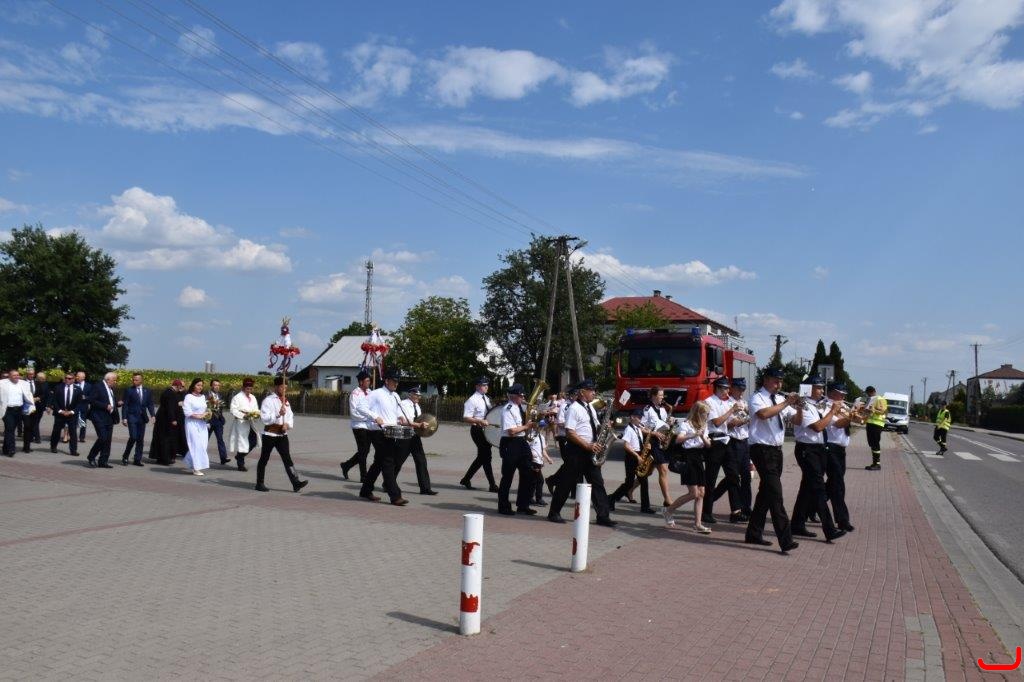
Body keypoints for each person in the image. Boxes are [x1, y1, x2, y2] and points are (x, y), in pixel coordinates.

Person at [743, 368, 801, 554]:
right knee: (776, 494)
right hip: (761, 449)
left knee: (766, 494)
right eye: (776, 381)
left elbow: (797, 421)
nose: (779, 385)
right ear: (766, 380)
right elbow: (763, 414)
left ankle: (753, 533)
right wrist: (787, 402)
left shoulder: (779, 399)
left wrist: (800, 407)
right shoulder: (757, 397)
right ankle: (786, 540)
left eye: (781, 381)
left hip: (776, 450)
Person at [547, 379, 615, 527]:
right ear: (582, 392)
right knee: (566, 482)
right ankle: (554, 512)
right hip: (577, 451)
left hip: (591, 450)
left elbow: (595, 426)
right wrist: (587, 445)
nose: (594, 393)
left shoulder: (590, 407)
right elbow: (570, 432)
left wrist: (605, 428)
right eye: (591, 390)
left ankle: (603, 516)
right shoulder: (574, 408)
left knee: (597, 483)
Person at [789, 377, 846, 544]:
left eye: (822, 387)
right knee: (819, 488)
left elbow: (833, 424)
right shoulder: (804, 405)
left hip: (820, 449)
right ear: (808, 388)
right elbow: (818, 427)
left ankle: (797, 524)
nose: (822, 391)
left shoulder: (817, 405)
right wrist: (832, 412)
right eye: (818, 387)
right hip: (807, 449)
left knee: (807, 488)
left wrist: (841, 413)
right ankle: (830, 530)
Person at [359, 370, 409, 505]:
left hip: (391, 432)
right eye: (394, 381)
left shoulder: (396, 396)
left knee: (378, 463)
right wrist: (375, 416)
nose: (396, 384)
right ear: (386, 381)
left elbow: (397, 411)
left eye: (398, 381)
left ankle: (365, 490)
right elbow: (360, 407)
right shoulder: (376, 394)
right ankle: (395, 496)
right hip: (378, 432)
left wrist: (400, 417)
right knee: (388, 461)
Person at [663, 401, 712, 533]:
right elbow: (679, 439)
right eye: (705, 414)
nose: (707, 416)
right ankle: (668, 510)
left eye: (708, 414)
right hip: (688, 458)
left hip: (698, 458)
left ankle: (698, 524)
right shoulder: (686, 424)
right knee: (693, 493)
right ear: (698, 413)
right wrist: (693, 435)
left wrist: (703, 437)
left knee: (701, 493)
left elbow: (708, 445)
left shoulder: (704, 425)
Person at [255, 376, 308, 492]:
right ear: (276, 387)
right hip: (270, 434)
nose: (284, 390)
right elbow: (264, 418)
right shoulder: (268, 400)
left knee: (287, 458)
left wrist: (287, 424)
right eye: (282, 387)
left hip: (282, 435)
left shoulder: (286, 401)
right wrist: (278, 414)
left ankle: (295, 482)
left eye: (286, 388)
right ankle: (259, 483)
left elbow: (290, 416)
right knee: (264, 458)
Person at [703, 376, 744, 524]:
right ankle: (706, 512)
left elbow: (731, 423)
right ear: (718, 388)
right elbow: (717, 422)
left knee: (734, 476)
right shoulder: (709, 402)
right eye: (725, 388)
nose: (727, 391)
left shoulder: (727, 403)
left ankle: (736, 511)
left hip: (726, 440)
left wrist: (744, 417)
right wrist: (732, 410)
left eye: (728, 388)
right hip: (714, 442)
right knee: (711, 478)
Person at [497, 384, 537, 516]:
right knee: (508, 476)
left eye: (523, 396)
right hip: (510, 443)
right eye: (521, 396)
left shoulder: (519, 407)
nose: (523, 398)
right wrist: (526, 426)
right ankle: (503, 506)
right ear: (513, 396)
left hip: (521, 442)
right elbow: (511, 431)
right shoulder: (508, 409)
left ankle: (523, 505)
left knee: (528, 473)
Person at [608, 409, 654, 514]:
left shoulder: (638, 429)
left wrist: (646, 446)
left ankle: (645, 507)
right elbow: (626, 445)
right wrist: (637, 456)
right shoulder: (628, 429)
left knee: (644, 481)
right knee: (629, 483)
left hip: (639, 454)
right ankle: (611, 498)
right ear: (632, 417)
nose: (640, 420)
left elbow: (638, 442)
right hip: (632, 457)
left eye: (641, 417)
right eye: (638, 417)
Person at [824, 382, 855, 533]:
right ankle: (842, 520)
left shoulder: (844, 406)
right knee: (838, 485)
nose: (843, 396)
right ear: (831, 392)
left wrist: (861, 415)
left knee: (832, 483)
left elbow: (860, 421)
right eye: (840, 393)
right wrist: (851, 416)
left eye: (844, 394)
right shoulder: (826, 406)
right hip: (831, 447)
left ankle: (812, 506)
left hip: (841, 449)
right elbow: (838, 424)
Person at [396, 386, 437, 495]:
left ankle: (425, 488)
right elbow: (401, 421)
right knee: (398, 461)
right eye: (416, 395)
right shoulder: (403, 404)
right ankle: (388, 483)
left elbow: (420, 420)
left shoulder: (417, 406)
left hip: (415, 436)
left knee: (421, 461)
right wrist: (418, 425)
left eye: (419, 396)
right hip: (404, 435)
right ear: (411, 394)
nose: (418, 397)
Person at [460, 376, 498, 492]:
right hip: (477, 430)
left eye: (487, 385)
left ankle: (466, 479)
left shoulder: (486, 398)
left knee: (482, 457)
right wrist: (479, 421)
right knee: (486, 457)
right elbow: (466, 417)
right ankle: (492, 485)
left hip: (486, 430)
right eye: (483, 385)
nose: (486, 387)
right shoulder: (472, 400)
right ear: (477, 386)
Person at [640, 386, 674, 509]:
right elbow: (641, 428)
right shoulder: (647, 409)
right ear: (653, 396)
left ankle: (629, 489)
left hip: (661, 441)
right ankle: (667, 500)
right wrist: (654, 433)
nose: (662, 397)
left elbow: (664, 425)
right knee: (663, 469)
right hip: (652, 441)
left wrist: (670, 423)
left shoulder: (663, 409)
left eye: (662, 395)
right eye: (660, 395)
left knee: (648, 472)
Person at [727, 378, 753, 517]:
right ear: (732, 388)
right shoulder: (728, 403)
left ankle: (746, 507)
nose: (741, 392)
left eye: (743, 389)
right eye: (739, 389)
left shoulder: (745, 403)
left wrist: (749, 415)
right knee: (733, 478)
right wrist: (746, 419)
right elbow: (729, 424)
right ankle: (736, 510)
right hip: (733, 441)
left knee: (747, 477)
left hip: (744, 441)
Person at [340, 370, 373, 481]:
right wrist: (368, 417)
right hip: (359, 426)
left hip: (369, 426)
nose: (369, 382)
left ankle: (346, 465)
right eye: (367, 381)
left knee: (365, 451)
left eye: (369, 380)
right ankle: (364, 476)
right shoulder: (355, 394)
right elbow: (354, 413)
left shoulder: (370, 392)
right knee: (363, 451)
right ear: (361, 382)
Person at [85, 372, 120, 468]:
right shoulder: (98, 386)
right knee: (103, 437)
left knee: (108, 440)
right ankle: (91, 456)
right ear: (108, 379)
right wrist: (105, 406)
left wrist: (117, 404)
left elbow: (110, 401)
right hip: (98, 416)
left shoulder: (110, 388)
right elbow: (91, 400)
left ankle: (103, 461)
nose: (116, 382)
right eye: (114, 380)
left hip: (109, 417)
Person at [120, 372, 155, 466]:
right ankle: (125, 456)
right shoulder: (129, 390)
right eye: (133, 379)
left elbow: (150, 404)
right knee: (133, 437)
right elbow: (125, 405)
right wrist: (124, 418)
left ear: (141, 380)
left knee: (140, 439)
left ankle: (137, 459)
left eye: (136, 380)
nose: (134, 381)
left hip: (142, 418)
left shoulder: (147, 391)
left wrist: (153, 415)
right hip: (132, 417)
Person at [150, 379, 186, 465]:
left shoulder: (167, 391)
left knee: (160, 438)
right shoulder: (171, 393)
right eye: (180, 387)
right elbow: (170, 408)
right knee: (166, 439)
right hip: (166, 419)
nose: (180, 389)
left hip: (161, 417)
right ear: (177, 386)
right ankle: (166, 459)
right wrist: (173, 419)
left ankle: (160, 458)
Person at [228, 377, 261, 471]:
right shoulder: (237, 397)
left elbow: (256, 409)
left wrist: (256, 414)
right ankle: (241, 464)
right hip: (241, 423)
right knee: (242, 442)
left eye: (250, 389)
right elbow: (233, 410)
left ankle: (239, 456)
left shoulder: (253, 397)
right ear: (243, 388)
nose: (249, 391)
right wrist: (243, 415)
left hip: (250, 422)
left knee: (254, 441)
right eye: (247, 389)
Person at [0, 369, 34, 456]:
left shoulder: (23, 384)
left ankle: (5, 448)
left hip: (19, 410)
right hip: (8, 410)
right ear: (9, 376)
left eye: (17, 375)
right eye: (14, 375)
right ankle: (11, 449)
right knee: (10, 429)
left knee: (10, 430)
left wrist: (31, 406)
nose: (16, 377)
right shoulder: (2, 384)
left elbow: (28, 395)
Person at [49, 372, 83, 456]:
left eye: (69, 378)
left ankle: (73, 450)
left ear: (74, 380)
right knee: (56, 431)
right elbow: (54, 400)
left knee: (73, 432)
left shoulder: (78, 389)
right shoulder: (58, 387)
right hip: (60, 414)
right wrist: (60, 411)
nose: (67, 380)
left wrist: (72, 412)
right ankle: (53, 446)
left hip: (72, 414)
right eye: (66, 378)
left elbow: (79, 403)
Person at [182, 378, 211, 476]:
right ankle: (196, 468)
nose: (200, 387)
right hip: (191, 423)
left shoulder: (203, 397)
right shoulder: (188, 397)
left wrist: (207, 414)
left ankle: (189, 460)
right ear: (193, 385)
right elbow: (187, 412)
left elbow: (206, 409)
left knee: (203, 444)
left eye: (201, 385)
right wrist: (199, 416)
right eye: (198, 385)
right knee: (196, 444)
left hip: (202, 424)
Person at [23, 370, 48, 451]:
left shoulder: (37, 383)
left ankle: (30, 440)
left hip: (36, 406)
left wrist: (38, 398)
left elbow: (43, 393)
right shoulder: (22, 383)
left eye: (32, 374)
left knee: (34, 423)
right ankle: (28, 443)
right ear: (27, 374)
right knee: (27, 425)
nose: (31, 375)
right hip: (25, 407)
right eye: (29, 374)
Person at [863, 386, 887, 470]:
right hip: (870, 423)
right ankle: (874, 463)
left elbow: (883, 411)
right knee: (872, 444)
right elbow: (869, 411)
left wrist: (873, 410)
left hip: (877, 424)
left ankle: (877, 464)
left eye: (868, 393)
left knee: (875, 444)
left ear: (872, 392)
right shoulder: (871, 399)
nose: (868, 395)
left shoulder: (880, 399)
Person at [206, 379, 229, 465]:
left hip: (218, 420)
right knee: (205, 439)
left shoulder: (220, 395)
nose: (217, 387)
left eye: (218, 385)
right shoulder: (206, 395)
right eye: (215, 385)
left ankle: (223, 458)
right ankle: (201, 457)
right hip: (209, 420)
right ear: (211, 386)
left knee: (220, 439)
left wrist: (222, 418)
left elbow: (221, 407)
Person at [75, 371, 89, 442]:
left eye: (78, 376)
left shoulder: (89, 386)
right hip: (75, 406)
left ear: (83, 377)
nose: (76, 377)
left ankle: (82, 437)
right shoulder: (74, 384)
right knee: (73, 422)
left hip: (84, 406)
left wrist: (85, 397)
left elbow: (92, 396)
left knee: (83, 422)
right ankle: (72, 436)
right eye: (76, 376)